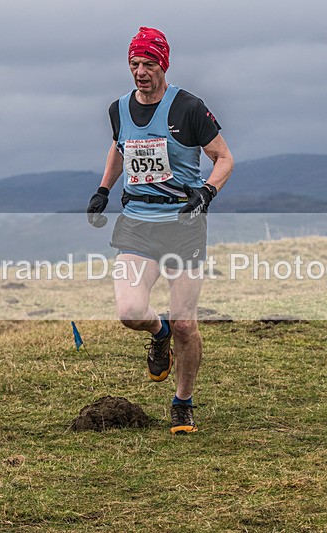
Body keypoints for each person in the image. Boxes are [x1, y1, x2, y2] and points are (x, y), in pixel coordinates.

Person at [86, 27, 233, 435]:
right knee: (131, 312)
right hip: (137, 225)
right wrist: (103, 189)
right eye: (134, 64)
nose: (141, 72)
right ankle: (158, 331)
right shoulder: (118, 108)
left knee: (187, 323)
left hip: (183, 227)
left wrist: (206, 191)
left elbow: (224, 158)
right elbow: (119, 146)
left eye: (149, 63)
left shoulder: (188, 107)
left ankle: (183, 402)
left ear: (163, 64)